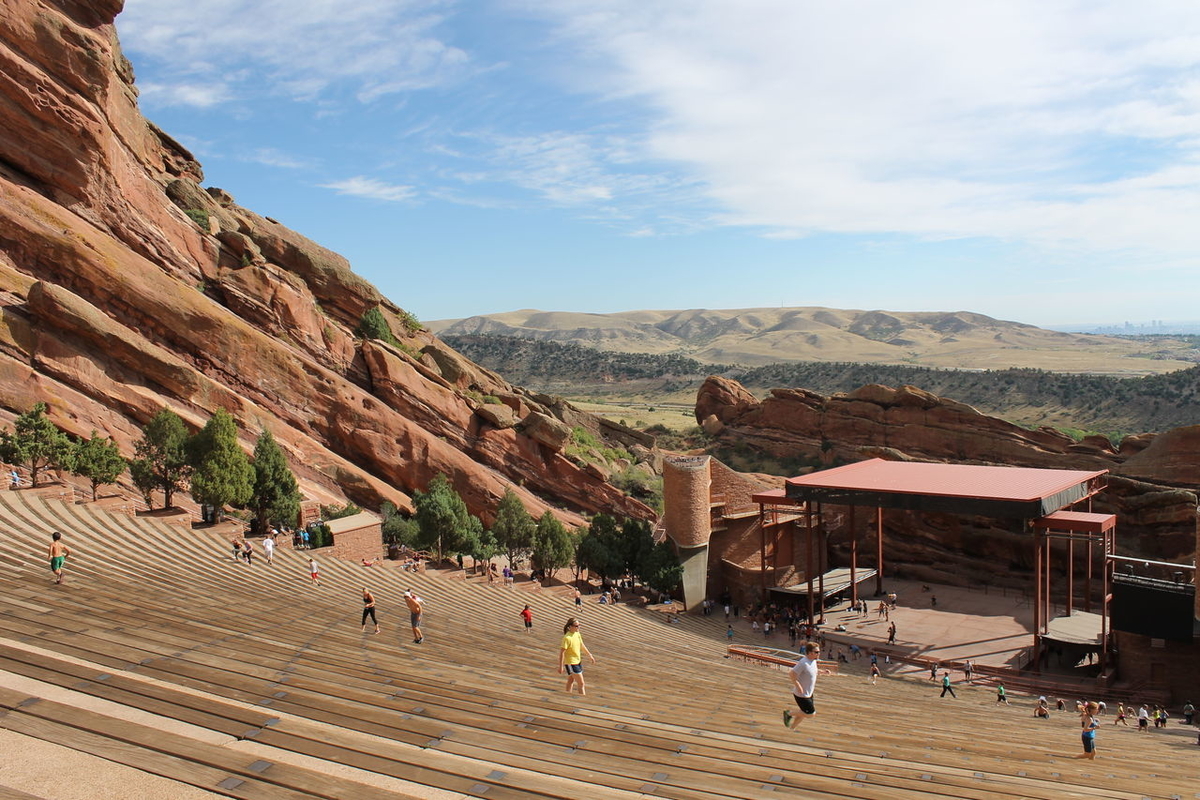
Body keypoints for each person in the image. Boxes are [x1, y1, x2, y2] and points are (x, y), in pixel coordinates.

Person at [783, 642, 833, 730]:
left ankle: (792, 728)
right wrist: (798, 685)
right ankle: (788, 713)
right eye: (816, 652)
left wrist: (822, 672)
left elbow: (812, 671)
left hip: (809, 693)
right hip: (801, 694)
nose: (819, 654)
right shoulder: (803, 663)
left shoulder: (813, 661)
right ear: (810, 652)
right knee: (811, 714)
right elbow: (791, 674)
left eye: (819, 652)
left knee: (803, 713)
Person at [558, 617, 595, 695]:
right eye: (576, 626)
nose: (578, 627)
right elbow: (562, 652)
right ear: (570, 626)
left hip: (578, 661)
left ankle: (567, 695)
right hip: (571, 663)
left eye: (579, 625)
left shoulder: (577, 634)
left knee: (571, 680)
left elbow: (582, 645)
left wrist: (589, 655)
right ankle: (583, 699)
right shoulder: (567, 638)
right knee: (581, 683)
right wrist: (561, 666)